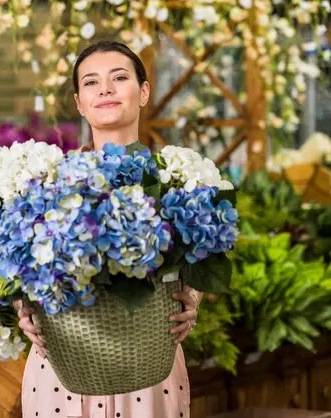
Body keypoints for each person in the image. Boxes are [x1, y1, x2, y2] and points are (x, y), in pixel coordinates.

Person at [15, 40, 203, 418]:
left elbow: (202, 260)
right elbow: (18, 262)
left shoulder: (177, 178)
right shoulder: (47, 183)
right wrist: (21, 306)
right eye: (91, 82)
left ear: (144, 92)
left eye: (119, 77)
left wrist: (194, 300)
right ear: (79, 102)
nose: (105, 89)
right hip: (61, 370)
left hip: (149, 367)